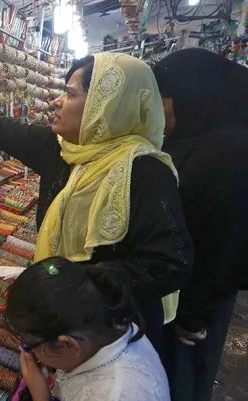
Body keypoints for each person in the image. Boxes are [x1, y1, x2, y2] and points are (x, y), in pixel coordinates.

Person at [0, 47, 193, 349]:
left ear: (106, 105)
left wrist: (75, 282)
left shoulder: (145, 170)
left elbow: (170, 263)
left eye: (70, 95)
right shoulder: (59, 149)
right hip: (59, 318)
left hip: (114, 332)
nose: (56, 101)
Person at [153, 48, 248, 401]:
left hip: (195, 300)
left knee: (183, 379)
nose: (156, 113)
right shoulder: (193, 139)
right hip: (178, 291)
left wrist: (192, 314)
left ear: (189, 95)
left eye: (161, 101)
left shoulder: (230, 156)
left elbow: (222, 245)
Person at [5, 257, 170, 401]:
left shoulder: (111, 395)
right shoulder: (110, 322)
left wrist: (40, 396)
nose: (27, 352)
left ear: (68, 346)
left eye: (28, 345)